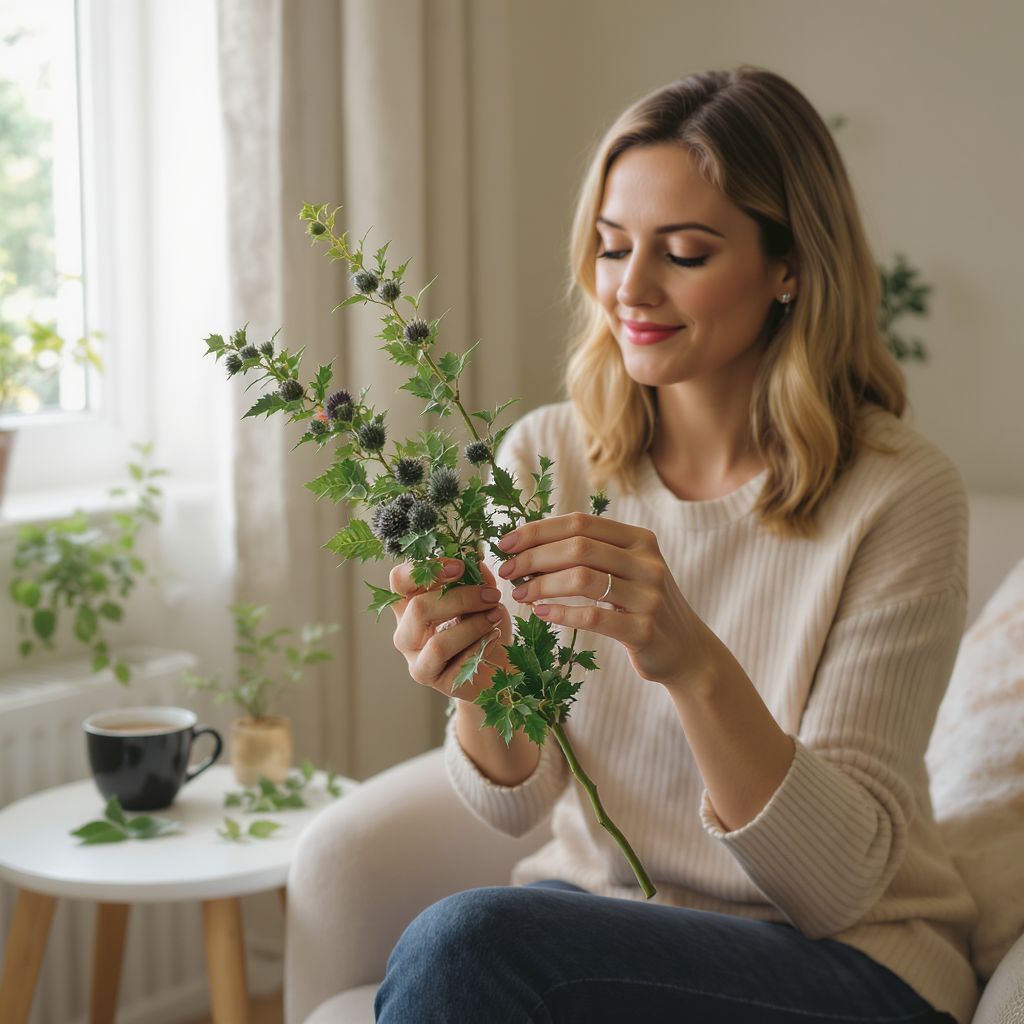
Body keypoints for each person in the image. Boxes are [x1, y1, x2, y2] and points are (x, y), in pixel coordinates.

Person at [378, 66, 976, 1023]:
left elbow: (835, 887)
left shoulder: (899, 493)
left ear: (791, 267)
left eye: (687, 253)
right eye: (613, 248)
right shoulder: (546, 453)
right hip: (602, 921)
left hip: (845, 963)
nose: (632, 289)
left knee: (468, 945)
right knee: (469, 946)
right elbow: (513, 807)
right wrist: (479, 680)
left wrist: (692, 660)